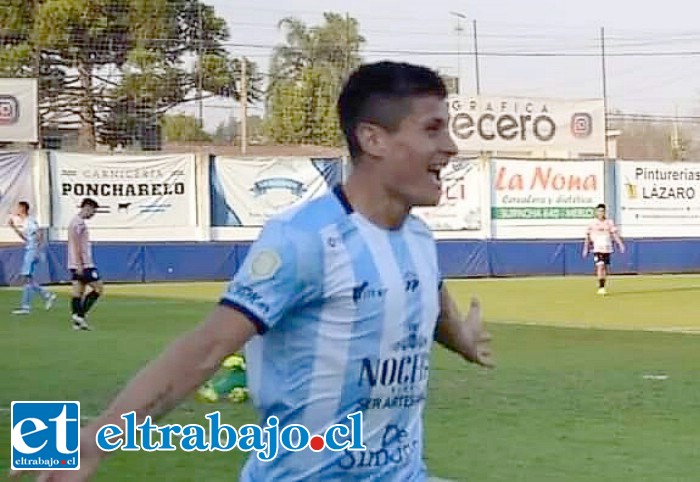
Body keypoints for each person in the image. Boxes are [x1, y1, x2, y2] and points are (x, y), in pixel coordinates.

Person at [11, 61, 493, 482]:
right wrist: (97, 439)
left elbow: (424, 293)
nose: (450, 147)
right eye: (433, 130)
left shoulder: (418, 238)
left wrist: (461, 338)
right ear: (373, 139)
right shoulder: (305, 240)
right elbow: (207, 348)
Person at [8, 201, 56, 315]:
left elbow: (39, 234)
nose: (16, 210)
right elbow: (26, 238)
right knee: (28, 279)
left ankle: (31, 304)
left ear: (23, 208)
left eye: (18, 208)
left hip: (32, 251)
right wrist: (14, 227)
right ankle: (42, 298)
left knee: (26, 277)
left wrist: (37, 251)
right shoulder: (25, 223)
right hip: (30, 249)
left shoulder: (30, 221)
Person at [67, 198, 103, 330]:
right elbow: (76, 245)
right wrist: (80, 264)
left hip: (73, 263)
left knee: (78, 292)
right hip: (84, 264)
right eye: (93, 211)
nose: (93, 214)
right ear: (87, 208)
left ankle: (77, 323)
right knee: (98, 289)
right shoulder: (79, 224)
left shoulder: (74, 222)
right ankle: (80, 316)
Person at [583, 203, 625, 295]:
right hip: (597, 248)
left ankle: (602, 285)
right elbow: (587, 236)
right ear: (596, 212)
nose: (601, 213)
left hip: (607, 248)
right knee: (600, 266)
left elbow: (614, 234)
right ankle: (601, 287)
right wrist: (585, 248)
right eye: (599, 211)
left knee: (605, 268)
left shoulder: (609, 222)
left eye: (602, 211)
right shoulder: (592, 223)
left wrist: (620, 244)